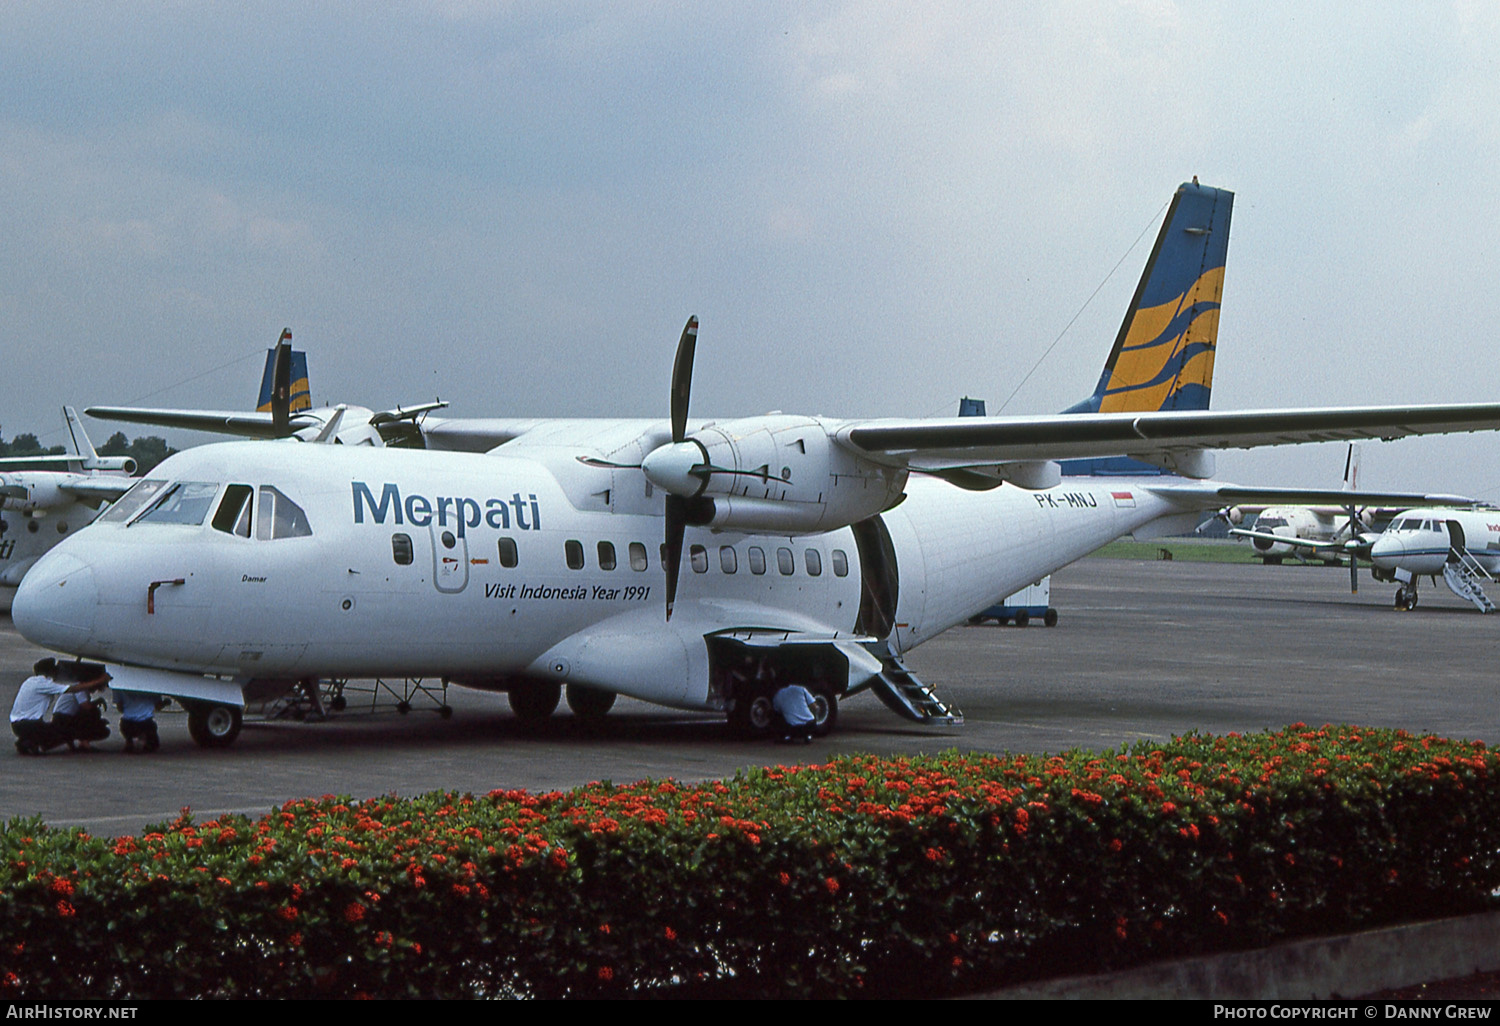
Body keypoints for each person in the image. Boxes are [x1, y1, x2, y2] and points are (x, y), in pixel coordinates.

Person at [10, 659, 108, 755]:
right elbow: (72, 689)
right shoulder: (44, 683)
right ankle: (32, 743)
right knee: (66, 732)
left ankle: (27, 740)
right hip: (29, 725)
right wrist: (99, 681)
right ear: (51, 672)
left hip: (17, 724)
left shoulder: (30, 681)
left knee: (55, 729)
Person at [51, 664, 112, 752]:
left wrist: (96, 702)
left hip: (62, 718)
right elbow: (86, 707)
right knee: (93, 713)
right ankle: (84, 742)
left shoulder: (79, 688)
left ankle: (74, 743)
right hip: (63, 720)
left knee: (89, 711)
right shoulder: (80, 689)